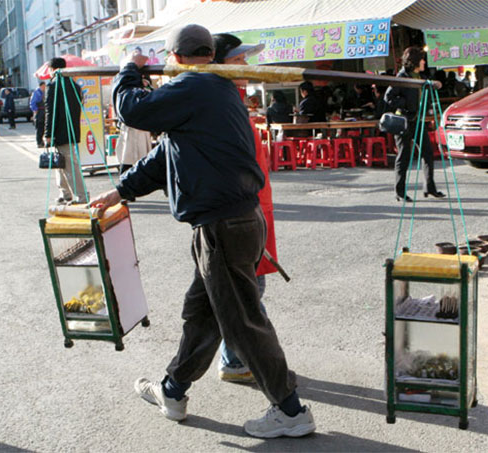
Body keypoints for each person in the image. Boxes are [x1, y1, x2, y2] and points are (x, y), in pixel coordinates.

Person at [88, 24, 315, 439]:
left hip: (223, 226)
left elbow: (132, 111)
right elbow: (164, 159)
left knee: (243, 322)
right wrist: (119, 191)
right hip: (228, 224)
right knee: (203, 314)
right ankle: (173, 391)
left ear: (174, 58)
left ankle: (290, 410)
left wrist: (129, 69)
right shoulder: (210, 94)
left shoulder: (198, 85)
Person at [211, 32, 281, 384]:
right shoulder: (219, 103)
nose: (246, 65)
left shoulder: (232, 99)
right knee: (247, 295)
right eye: (238, 60)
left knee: (243, 292)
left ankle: (235, 358)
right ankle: (262, 370)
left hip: (255, 211)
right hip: (240, 214)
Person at [385, 46, 445, 202]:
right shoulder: (401, 77)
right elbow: (388, 97)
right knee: (403, 157)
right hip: (404, 122)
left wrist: (434, 84)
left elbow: (426, 88)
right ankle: (399, 192)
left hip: (418, 121)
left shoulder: (419, 76)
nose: (424, 62)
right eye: (422, 59)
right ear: (415, 61)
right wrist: (405, 103)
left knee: (428, 153)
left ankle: (429, 188)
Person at [44, 57, 87, 204]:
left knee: (69, 165)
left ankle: (81, 196)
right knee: (60, 162)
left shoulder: (53, 85)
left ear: (52, 69)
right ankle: (65, 193)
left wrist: (47, 134)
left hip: (59, 131)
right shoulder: (75, 85)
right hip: (73, 128)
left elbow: (50, 111)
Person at [30, 81, 46, 148]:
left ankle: (41, 141)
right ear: (41, 86)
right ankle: (39, 142)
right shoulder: (36, 93)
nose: (45, 87)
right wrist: (35, 110)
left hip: (43, 111)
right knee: (39, 127)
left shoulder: (43, 92)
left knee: (42, 127)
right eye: (44, 86)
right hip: (39, 112)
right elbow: (32, 103)